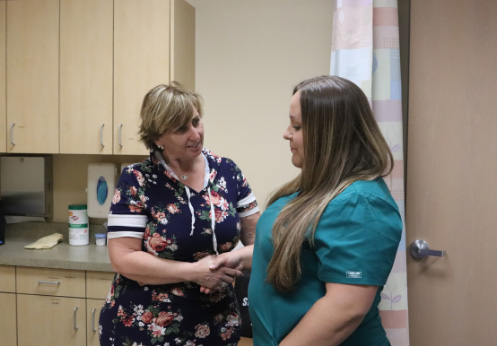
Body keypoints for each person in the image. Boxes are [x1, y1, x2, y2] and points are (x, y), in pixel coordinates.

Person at [99, 82, 261, 346]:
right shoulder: (137, 179)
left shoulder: (227, 172)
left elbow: (261, 242)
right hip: (146, 328)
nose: (195, 134)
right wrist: (193, 272)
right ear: (157, 138)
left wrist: (230, 259)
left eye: (196, 121)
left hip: (217, 323)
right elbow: (122, 258)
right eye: (181, 129)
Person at [247, 75, 403, 345]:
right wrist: (235, 260)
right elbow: (302, 251)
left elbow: (346, 309)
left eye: (296, 125)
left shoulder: (360, 203)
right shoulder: (315, 188)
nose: (286, 133)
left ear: (329, 135)